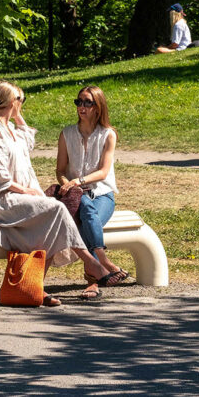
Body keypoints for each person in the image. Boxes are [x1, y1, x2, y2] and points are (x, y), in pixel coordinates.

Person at [0, 81, 122, 304]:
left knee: (53, 217)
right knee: (55, 208)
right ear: (12, 102)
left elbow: (27, 140)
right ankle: (92, 263)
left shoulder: (10, 129)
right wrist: (26, 190)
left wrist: (15, 115)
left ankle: (34, 286)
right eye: (20, 101)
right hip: (1, 201)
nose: (22, 105)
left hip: (21, 197)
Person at [56, 86, 129, 292]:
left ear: (98, 107)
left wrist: (77, 181)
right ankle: (101, 268)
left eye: (88, 102)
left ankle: (95, 274)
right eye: (79, 102)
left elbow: (104, 172)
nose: (82, 107)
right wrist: (67, 186)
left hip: (102, 194)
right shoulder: (66, 134)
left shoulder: (108, 134)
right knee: (85, 206)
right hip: (77, 195)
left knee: (88, 212)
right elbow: (60, 170)